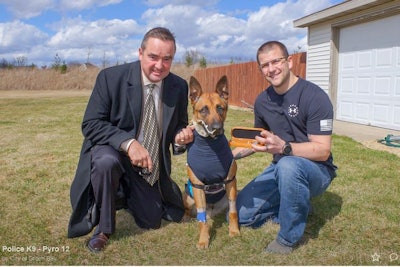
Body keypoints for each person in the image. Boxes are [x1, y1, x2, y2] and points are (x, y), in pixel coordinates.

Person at [67, 27, 194, 252]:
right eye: (153, 57)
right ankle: (104, 229)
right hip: (113, 153)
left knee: (152, 220)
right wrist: (129, 143)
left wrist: (180, 137)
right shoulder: (110, 78)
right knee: (107, 161)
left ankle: (121, 195)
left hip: (148, 167)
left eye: (167, 59)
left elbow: (178, 126)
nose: (160, 65)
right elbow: (91, 124)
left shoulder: (178, 87)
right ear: (140, 53)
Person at [232, 41, 337, 254]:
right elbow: (258, 141)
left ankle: (287, 238)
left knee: (289, 165)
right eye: (265, 65)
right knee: (241, 216)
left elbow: (323, 150)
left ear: (289, 61)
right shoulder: (262, 101)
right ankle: (297, 202)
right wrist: (228, 156)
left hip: (317, 170)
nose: (271, 69)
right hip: (281, 168)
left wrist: (284, 148)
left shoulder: (314, 96)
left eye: (276, 61)